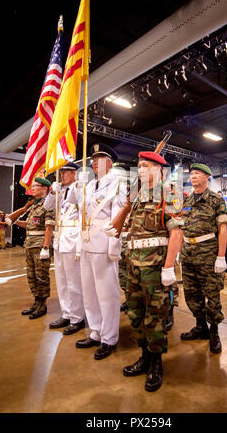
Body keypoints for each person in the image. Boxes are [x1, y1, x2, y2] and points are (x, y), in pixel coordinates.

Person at [115, 150, 181, 392]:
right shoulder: (137, 196)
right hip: (132, 266)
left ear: (159, 170)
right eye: (139, 165)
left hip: (155, 269)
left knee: (155, 318)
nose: (141, 169)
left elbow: (176, 232)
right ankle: (144, 355)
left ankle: (156, 363)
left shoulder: (170, 193)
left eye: (146, 165)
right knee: (135, 314)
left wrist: (168, 267)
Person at [69, 143, 127, 360]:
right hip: (85, 242)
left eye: (99, 158)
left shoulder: (117, 185)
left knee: (107, 293)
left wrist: (114, 248)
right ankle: (95, 330)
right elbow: (80, 213)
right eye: (93, 159)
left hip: (103, 244)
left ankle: (109, 337)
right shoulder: (88, 185)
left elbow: (117, 220)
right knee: (89, 291)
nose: (94, 162)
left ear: (109, 163)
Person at [178, 163, 227, 354]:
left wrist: (221, 256)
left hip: (208, 253)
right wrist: (178, 250)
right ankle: (201, 327)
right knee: (191, 294)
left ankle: (214, 331)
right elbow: (182, 226)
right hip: (188, 252)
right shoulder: (187, 200)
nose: (192, 176)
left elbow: (223, 229)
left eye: (197, 173)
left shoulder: (216, 199)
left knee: (212, 294)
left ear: (207, 177)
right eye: (191, 173)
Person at [43, 162, 86, 335]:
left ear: (74, 173)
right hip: (59, 240)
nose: (63, 175)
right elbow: (47, 206)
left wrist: (80, 242)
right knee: (61, 281)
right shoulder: (59, 190)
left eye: (66, 172)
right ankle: (67, 313)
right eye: (62, 172)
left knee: (73, 281)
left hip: (72, 238)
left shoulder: (78, 187)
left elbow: (84, 211)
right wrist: (53, 192)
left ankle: (77, 317)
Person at [7, 177, 55, 319]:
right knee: (31, 275)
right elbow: (29, 224)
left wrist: (46, 247)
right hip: (29, 244)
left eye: (35, 186)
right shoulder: (34, 205)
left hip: (40, 245)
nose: (32, 188)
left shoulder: (48, 205)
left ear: (44, 189)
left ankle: (42, 305)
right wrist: (15, 221)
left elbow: (49, 227)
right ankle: (36, 302)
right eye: (32, 186)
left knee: (41, 276)